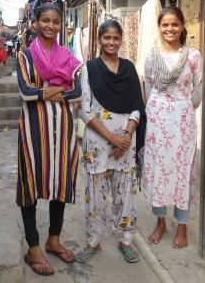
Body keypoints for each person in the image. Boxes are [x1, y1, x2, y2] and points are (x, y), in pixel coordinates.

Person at [16, 3, 82, 276]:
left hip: (63, 128)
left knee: (60, 182)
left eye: (56, 21)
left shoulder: (67, 55)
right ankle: (33, 247)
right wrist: (58, 89)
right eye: (45, 20)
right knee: (30, 182)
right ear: (35, 23)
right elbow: (25, 93)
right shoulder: (25, 56)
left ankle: (53, 239)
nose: (51, 26)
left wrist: (45, 89)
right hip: (34, 129)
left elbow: (77, 93)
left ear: (61, 24)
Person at [75, 20, 146, 264]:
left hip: (126, 142)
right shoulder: (89, 69)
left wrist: (125, 137)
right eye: (107, 38)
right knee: (94, 194)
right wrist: (112, 137)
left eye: (116, 38)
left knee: (125, 192)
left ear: (121, 39)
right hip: (98, 142)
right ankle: (93, 242)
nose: (112, 42)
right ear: (100, 40)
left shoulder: (129, 69)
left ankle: (125, 240)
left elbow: (137, 105)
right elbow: (84, 110)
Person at [142, 6, 202, 249]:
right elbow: (148, 88)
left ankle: (182, 226)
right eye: (165, 25)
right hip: (157, 120)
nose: (170, 29)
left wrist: (181, 107)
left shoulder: (194, 56)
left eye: (174, 24)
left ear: (182, 26)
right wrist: (159, 110)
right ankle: (160, 222)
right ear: (160, 28)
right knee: (159, 168)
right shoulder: (151, 56)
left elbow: (197, 91)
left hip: (182, 121)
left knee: (182, 170)